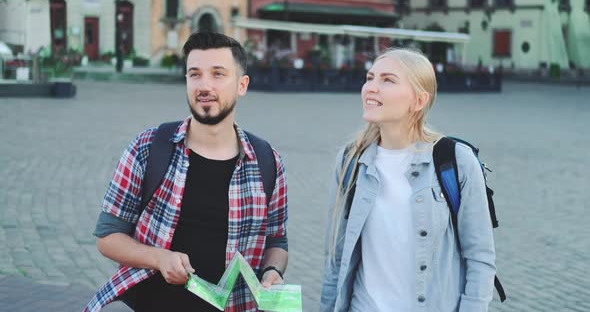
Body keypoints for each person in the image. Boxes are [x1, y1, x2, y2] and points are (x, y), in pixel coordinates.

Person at [85, 32, 288, 312]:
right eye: (195, 74)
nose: (204, 85)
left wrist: (273, 272)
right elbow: (108, 236)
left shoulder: (267, 161)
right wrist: (158, 258)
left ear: (242, 85)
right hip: (149, 303)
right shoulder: (148, 147)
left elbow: (276, 240)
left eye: (218, 74)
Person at [320, 48, 496, 311]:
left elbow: (480, 259)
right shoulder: (351, 161)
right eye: (370, 77)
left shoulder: (455, 161)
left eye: (387, 80)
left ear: (419, 100)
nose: (371, 87)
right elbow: (336, 258)